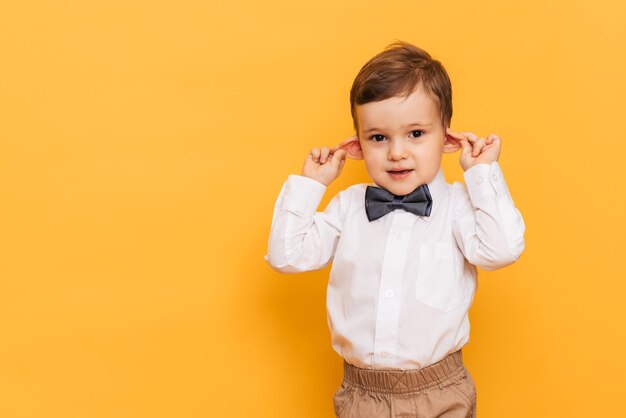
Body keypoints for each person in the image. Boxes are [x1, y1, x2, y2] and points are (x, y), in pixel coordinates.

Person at [264, 41, 526, 417]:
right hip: (362, 397)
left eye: (416, 133)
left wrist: (482, 173)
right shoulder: (347, 208)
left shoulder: (457, 207)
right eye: (378, 137)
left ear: (448, 139)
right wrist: (311, 185)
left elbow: (502, 249)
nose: (397, 152)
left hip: (441, 392)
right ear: (356, 146)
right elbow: (286, 257)